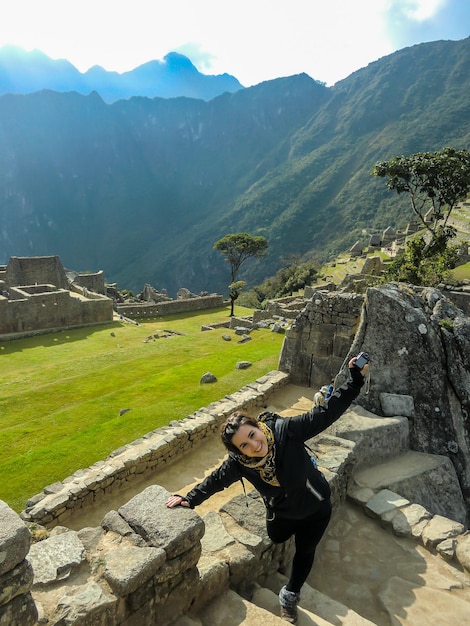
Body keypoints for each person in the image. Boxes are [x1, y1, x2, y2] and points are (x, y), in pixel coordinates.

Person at [166, 356, 367, 624]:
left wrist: (355, 379)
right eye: (244, 446)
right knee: (276, 537)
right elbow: (214, 481)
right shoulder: (240, 464)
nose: (253, 446)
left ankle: (290, 595)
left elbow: (326, 413)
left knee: (305, 552)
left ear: (258, 427)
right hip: (282, 512)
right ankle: (286, 537)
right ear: (237, 452)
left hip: (315, 507)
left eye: (252, 435)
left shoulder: (287, 431)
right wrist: (188, 499)